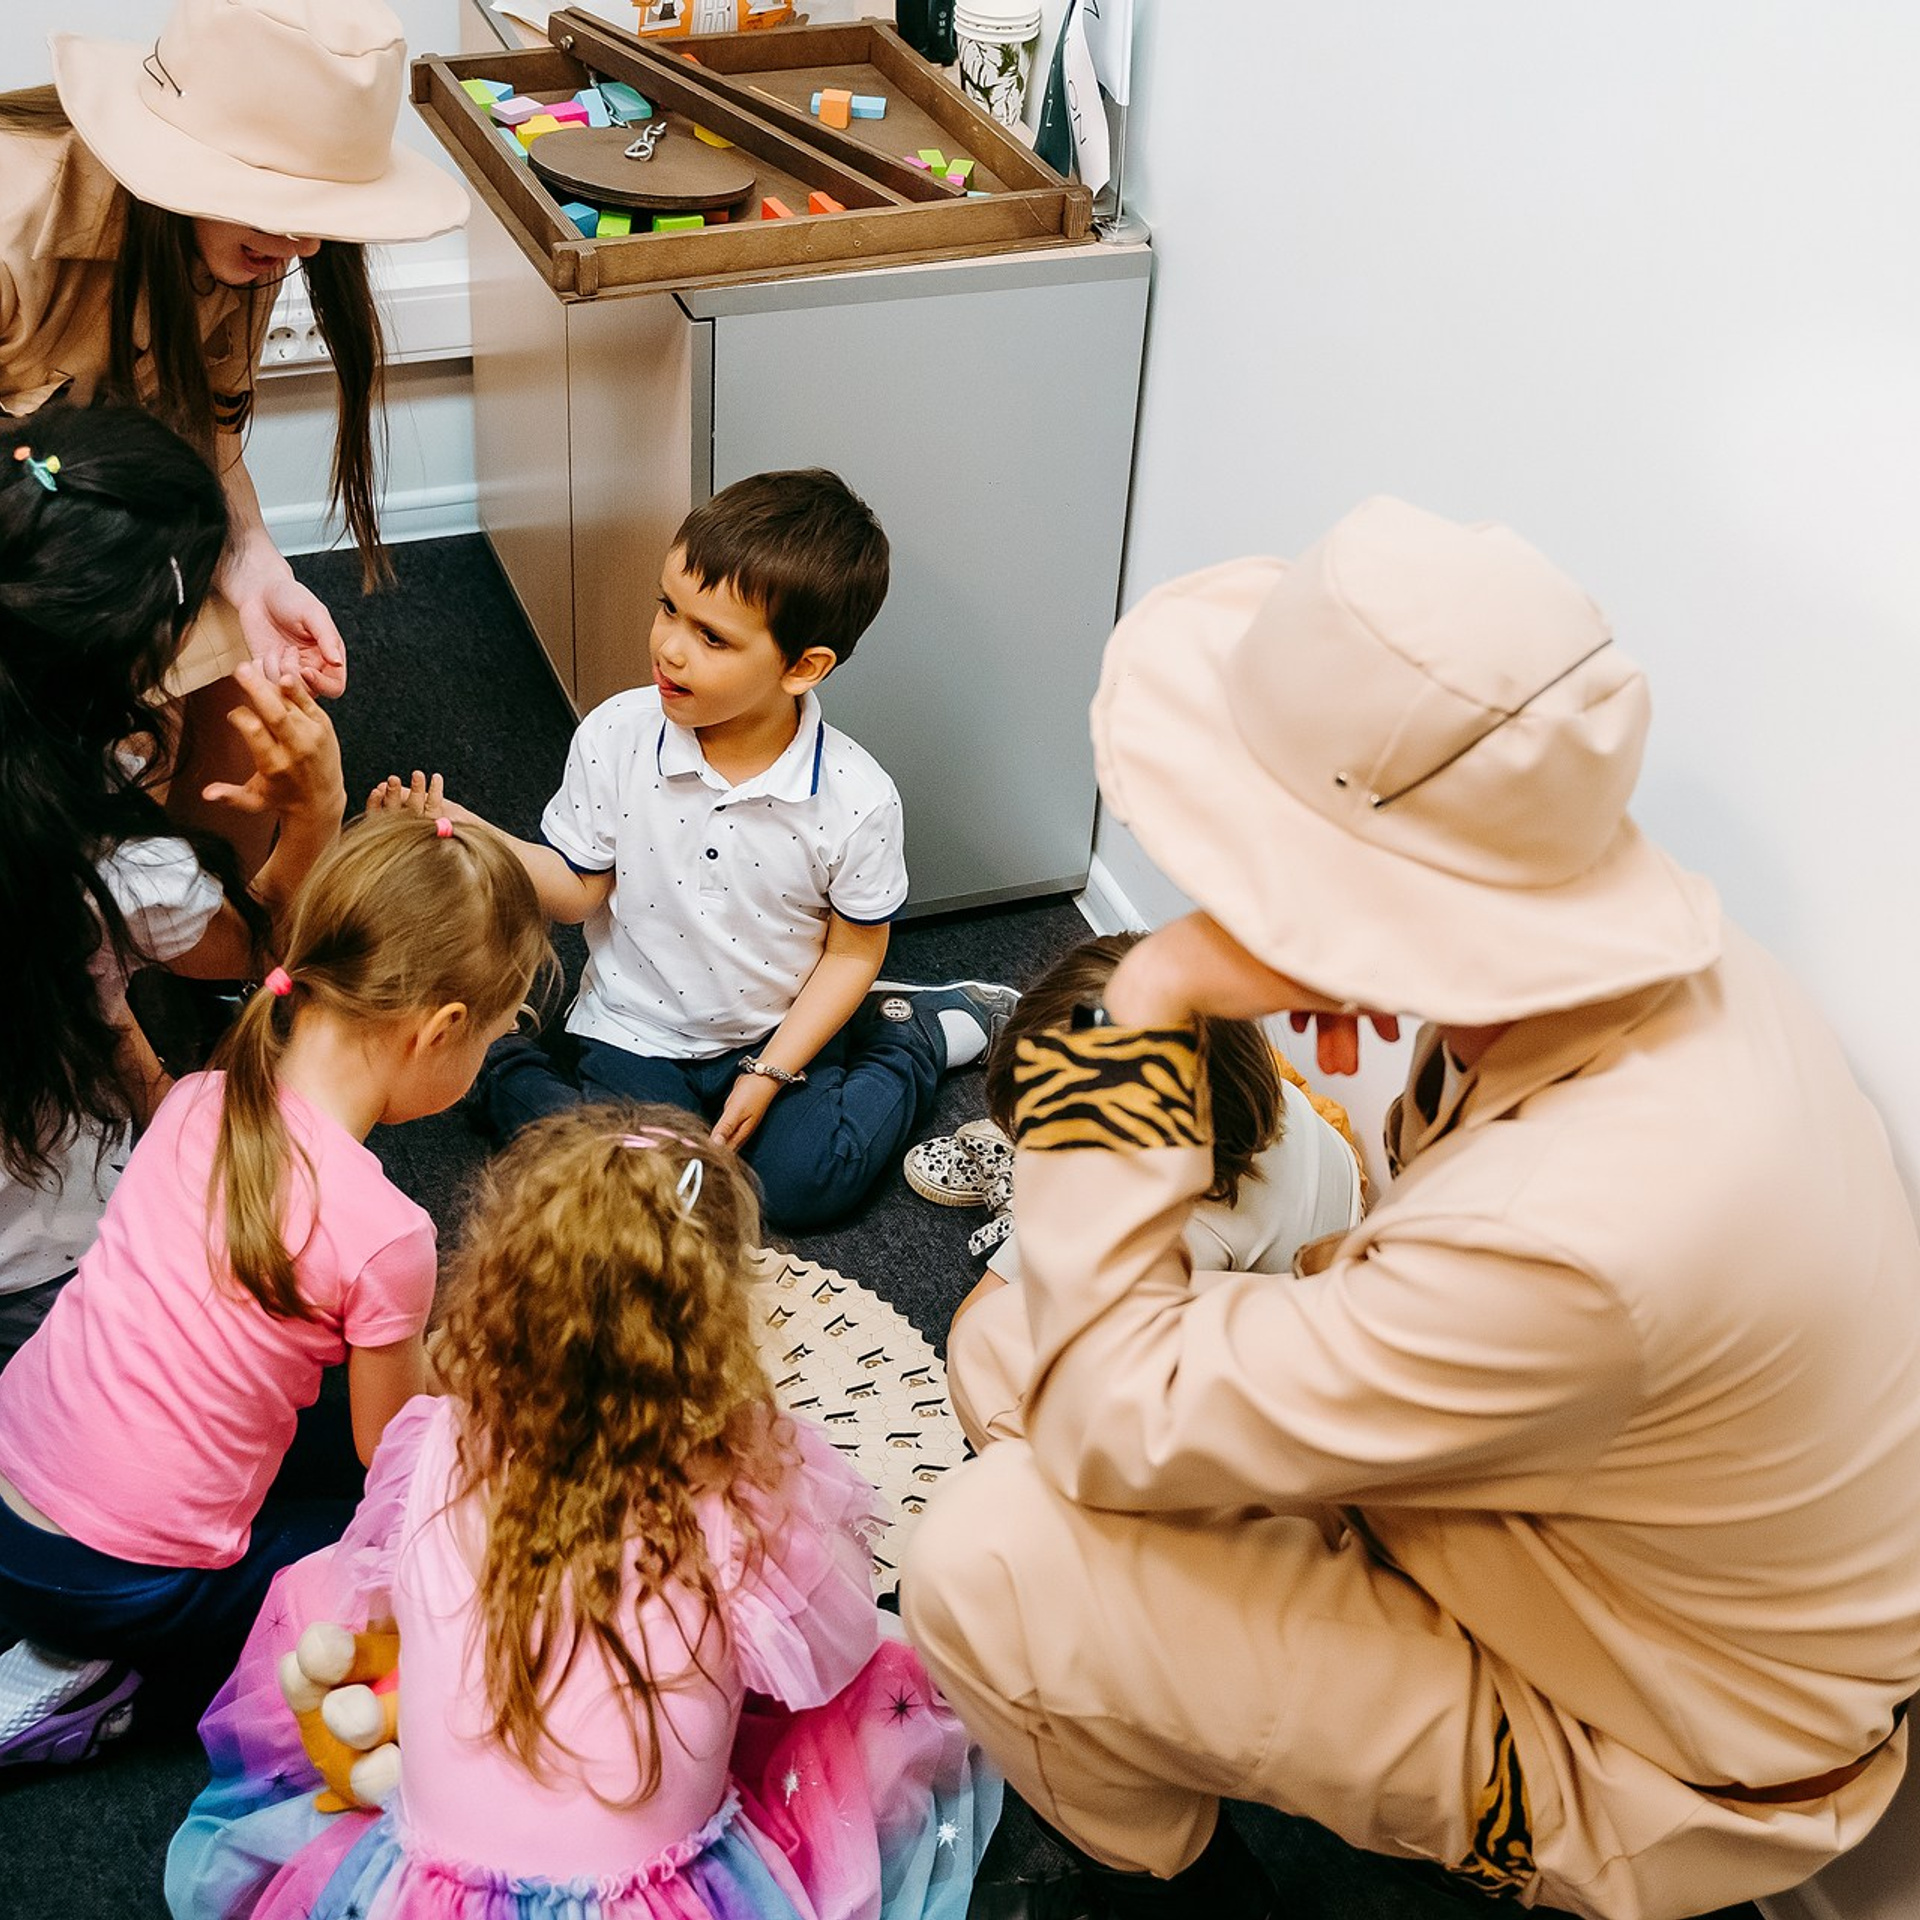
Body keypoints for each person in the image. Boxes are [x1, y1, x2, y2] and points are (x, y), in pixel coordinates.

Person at [902, 498, 1920, 1920]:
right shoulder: (1648, 973)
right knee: (1011, 1338)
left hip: (1643, 1744)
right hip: (1552, 1528)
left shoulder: (1588, 1228)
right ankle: (1157, 1676)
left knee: (986, 1556)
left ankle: (1171, 1877)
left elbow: (1098, 1409)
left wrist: (1147, 996)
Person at [166, 1104, 1001, 1920]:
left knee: (329, 1594)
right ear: (716, 1323)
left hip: (425, 1891)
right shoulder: (745, 1490)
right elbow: (837, 1650)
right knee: (880, 1684)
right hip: (662, 1896)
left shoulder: (435, 1441)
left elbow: (383, 1599)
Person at [0, 812, 553, 1762]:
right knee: (401, 1531)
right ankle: (99, 1685)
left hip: (9, 1501)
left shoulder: (194, 1102)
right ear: (443, 1030)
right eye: (498, 1035)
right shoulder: (388, 1236)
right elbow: (397, 1456)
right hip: (115, 1583)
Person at [395, 469, 1016, 1231]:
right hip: (636, 1028)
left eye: (711, 636)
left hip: (774, 1032)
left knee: (801, 1190)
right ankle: (501, 1051)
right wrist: (474, 833)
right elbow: (579, 890)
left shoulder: (857, 799)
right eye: (668, 609)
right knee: (634, 1199)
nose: (669, 649)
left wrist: (773, 1070)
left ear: (802, 667)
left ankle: (909, 1033)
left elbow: (854, 954)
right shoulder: (617, 734)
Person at [0, 0, 468, 860]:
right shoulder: (8, 223)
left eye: (318, 205)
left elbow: (207, 436)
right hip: (31, 544)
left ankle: (197, 946)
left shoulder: (249, 243)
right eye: (271, 199)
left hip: (117, 523)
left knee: (251, 706)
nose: (303, 243)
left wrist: (255, 571)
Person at [0, 400, 346, 1369]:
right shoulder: (114, 866)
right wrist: (316, 810)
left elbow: (86, 992)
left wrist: (160, 1096)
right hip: (41, 1265)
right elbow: (266, 949)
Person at [935, 931, 1367, 1450]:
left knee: (988, 1352)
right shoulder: (1244, 1085)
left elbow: (978, 1321)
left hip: (1273, 1383)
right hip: (1323, 1232)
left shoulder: (1185, 1236)